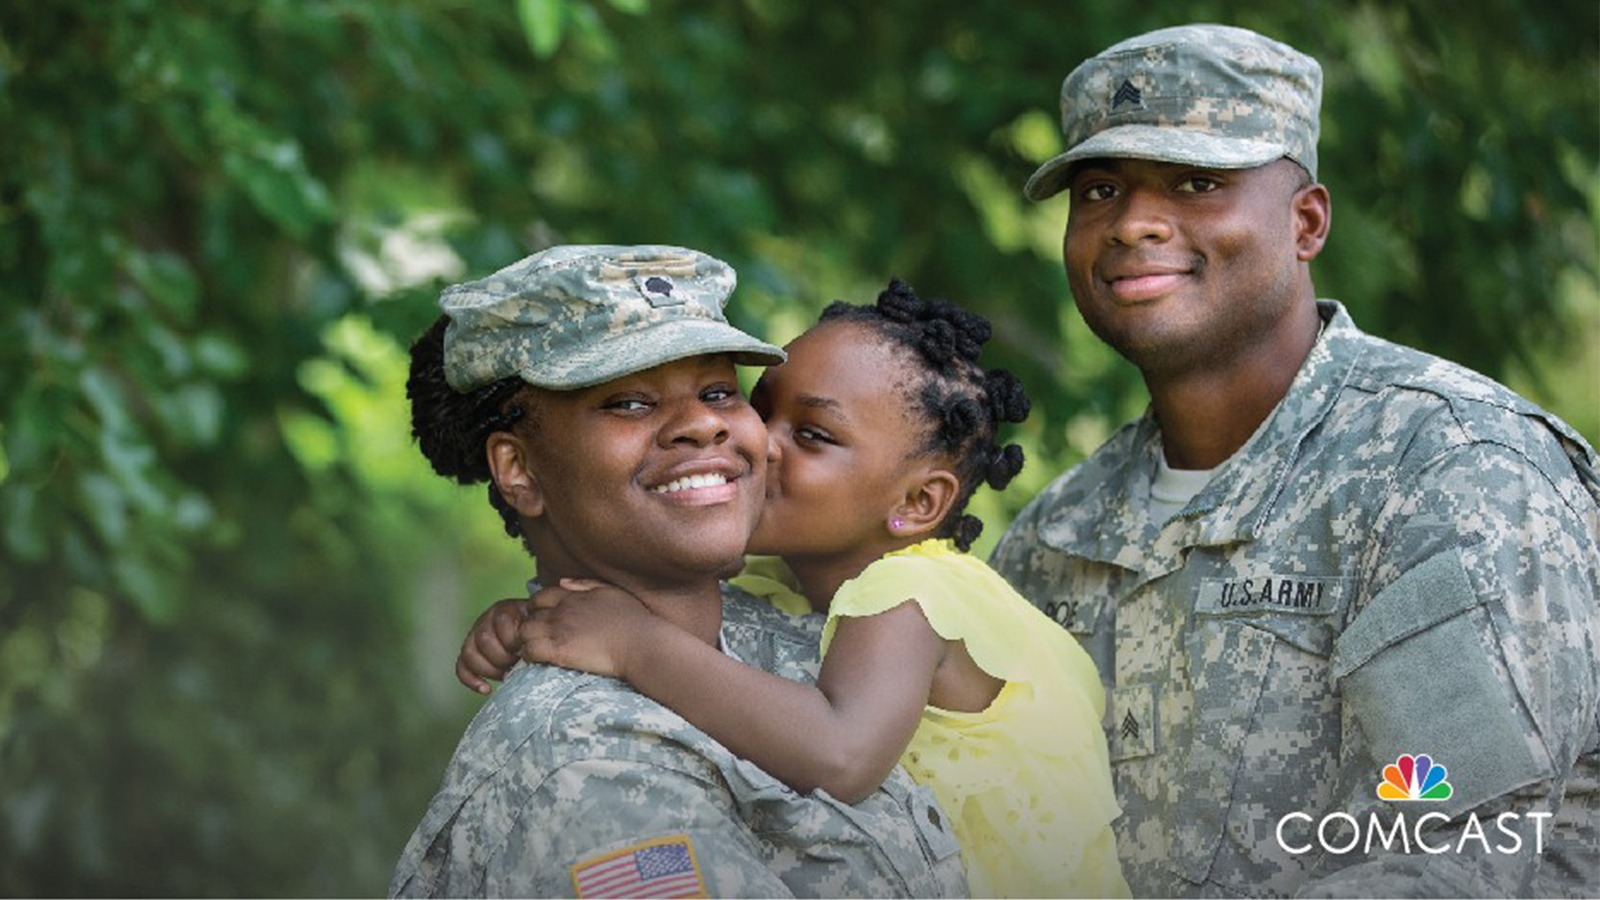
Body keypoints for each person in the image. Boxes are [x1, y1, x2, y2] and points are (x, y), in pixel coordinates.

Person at [990, 23, 1600, 898]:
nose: (1132, 224)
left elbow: (1462, 856)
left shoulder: (1447, 471)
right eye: (1099, 191)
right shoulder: (1056, 536)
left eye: (1197, 182)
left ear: (1306, 222)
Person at [475, 280, 1129, 898]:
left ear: (919, 501)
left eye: (813, 436)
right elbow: (657, 610)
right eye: (760, 409)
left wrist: (632, 645)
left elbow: (842, 754)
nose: (760, 445)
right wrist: (533, 620)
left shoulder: (913, 593)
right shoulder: (783, 578)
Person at [389, 245, 968, 898]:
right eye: (629, 403)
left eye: (719, 391)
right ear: (519, 470)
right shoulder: (586, 766)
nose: (702, 425)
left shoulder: (814, 633)